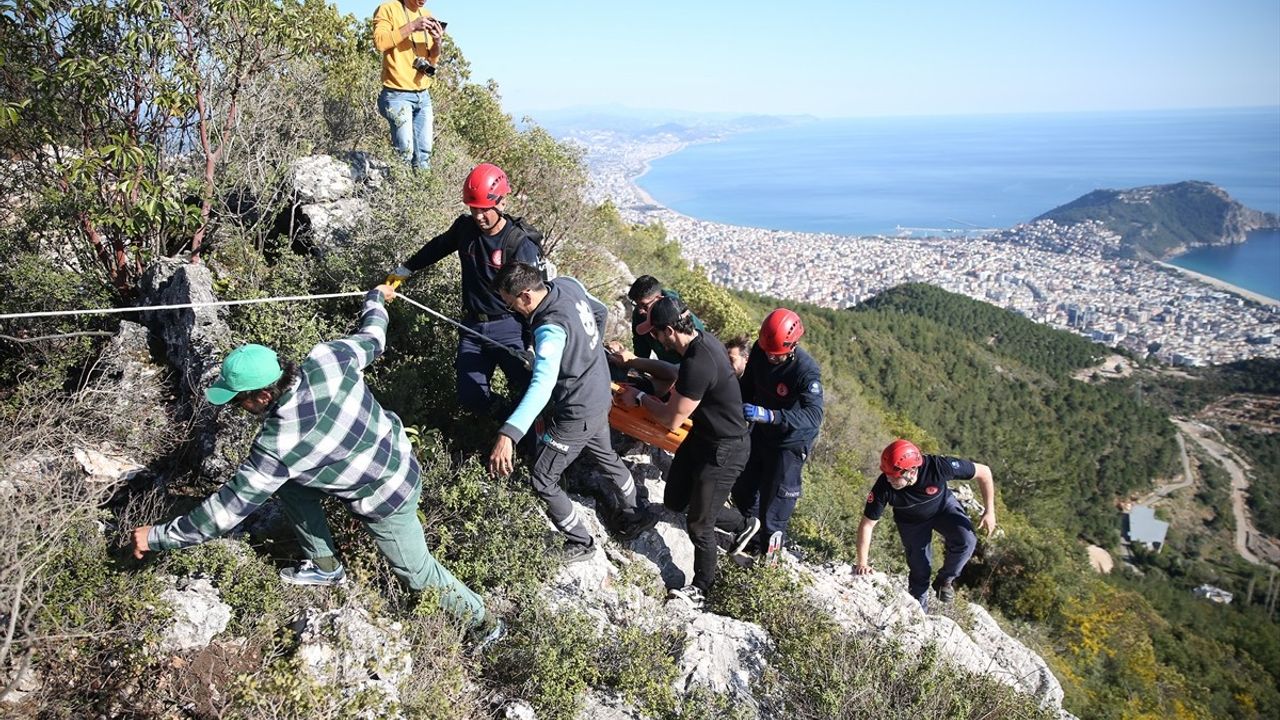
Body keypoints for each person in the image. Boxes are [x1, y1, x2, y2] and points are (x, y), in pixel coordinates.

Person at [129, 285, 497, 636]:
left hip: (389, 499)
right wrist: (376, 301)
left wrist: (158, 536)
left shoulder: (277, 446)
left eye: (236, 400)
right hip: (399, 458)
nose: (235, 407)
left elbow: (223, 515)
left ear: (261, 395)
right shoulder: (328, 359)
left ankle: (484, 622)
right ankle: (325, 567)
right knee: (287, 482)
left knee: (416, 572)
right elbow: (373, 339)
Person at [489, 263, 659, 563]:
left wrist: (509, 434)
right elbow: (601, 312)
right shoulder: (567, 285)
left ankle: (580, 541)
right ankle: (635, 513)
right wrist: (589, 352)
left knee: (542, 478)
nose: (509, 307)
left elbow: (542, 385)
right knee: (606, 455)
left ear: (526, 296)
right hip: (599, 394)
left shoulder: (549, 329)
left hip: (577, 411)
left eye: (510, 301)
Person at [619, 296, 750, 610]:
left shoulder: (699, 361)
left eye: (655, 334)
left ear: (668, 332)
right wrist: (632, 361)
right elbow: (672, 372)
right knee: (675, 500)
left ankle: (702, 589)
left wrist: (638, 397)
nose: (655, 339)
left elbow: (670, 418)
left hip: (725, 448)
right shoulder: (701, 344)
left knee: (698, 524)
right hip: (704, 437)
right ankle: (743, 525)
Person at [388, 163, 542, 414]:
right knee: (471, 396)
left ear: (501, 203)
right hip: (471, 326)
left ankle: (528, 441)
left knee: (528, 391)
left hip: (510, 327)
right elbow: (437, 247)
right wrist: (405, 270)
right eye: (474, 209)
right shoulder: (465, 229)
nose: (479, 216)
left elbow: (534, 297)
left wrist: (532, 343)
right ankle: (501, 421)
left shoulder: (518, 243)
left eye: (484, 209)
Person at [717, 309, 824, 557]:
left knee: (775, 509)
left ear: (792, 346)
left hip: (789, 444)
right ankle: (749, 539)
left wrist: (771, 415)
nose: (770, 358)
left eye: (776, 356)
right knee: (743, 488)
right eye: (767, 353)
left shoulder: (806, 372)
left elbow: (813, 416)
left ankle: (768, 562)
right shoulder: (761, 351)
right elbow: (748, 386)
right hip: (761, 434)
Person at [854, 439, 997, 610]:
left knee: (967, 541)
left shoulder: (938, 467)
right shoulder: (883, 487)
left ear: (911, 471)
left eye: (894, 475)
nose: (888, 478)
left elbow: (984, 472)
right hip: (911, 523)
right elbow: (867, 525)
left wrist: (990, 511)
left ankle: (945, 580)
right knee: (920, 571)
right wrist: (862, 563)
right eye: (886, 473)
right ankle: (920, 614)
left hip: (943, 508)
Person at [372, 0, 444, 170]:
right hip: (397, 95)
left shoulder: (426, 14)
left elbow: (432, 59)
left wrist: (438, 41)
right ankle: (397, 194)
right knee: (404, 152)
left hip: (423, 95)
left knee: (424, 154)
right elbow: (380, 42)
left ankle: (421, 194)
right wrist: (412, 26)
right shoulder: (387, 9)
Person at [621, 276, 705, 365]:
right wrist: (636, 365)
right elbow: (640, 347)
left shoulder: (681, 319)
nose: (640, 311)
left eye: (645, 306)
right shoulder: (640, 314)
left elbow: (695, 358)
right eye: (637, 305)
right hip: (666, 368)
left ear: (658, 299)